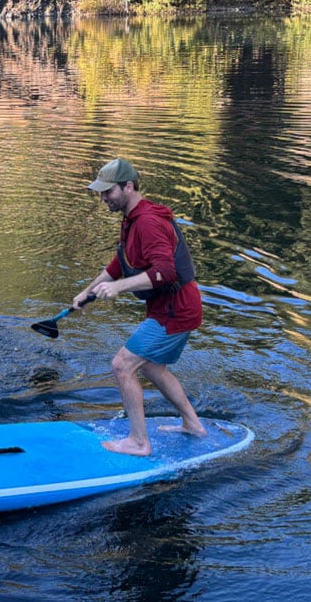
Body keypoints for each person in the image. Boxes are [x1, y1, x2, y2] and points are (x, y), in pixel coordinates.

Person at [72, 157, 207, 456]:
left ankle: (139, 442)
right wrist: (88, 292)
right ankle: (193, 425)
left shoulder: (147, 222)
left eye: (108, 192)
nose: (103, 198)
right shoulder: (132, 218)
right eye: (101, 192)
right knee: (151, 366)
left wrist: (118, 288)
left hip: (176, 309)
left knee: (122, 365)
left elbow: (166, 271)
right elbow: (121, 263)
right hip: (169, 307)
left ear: (128, 187)